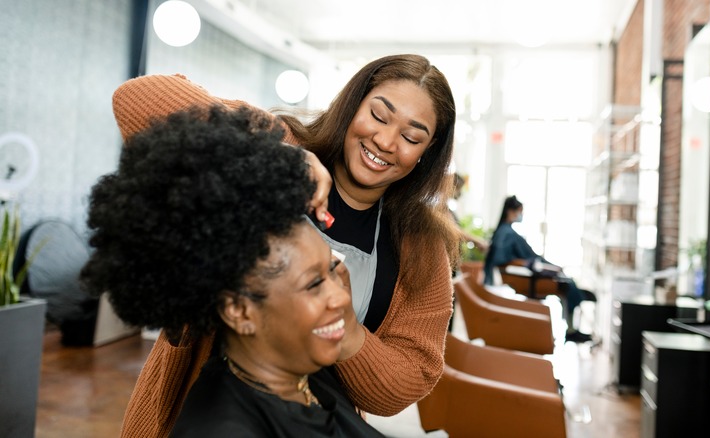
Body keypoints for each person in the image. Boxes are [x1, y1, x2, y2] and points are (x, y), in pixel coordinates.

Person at [110, 54, 461, 437]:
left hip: (318, 417)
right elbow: (135, 99)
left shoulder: (421, 244)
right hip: (207, 404)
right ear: (353, 105)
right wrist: (272, 159)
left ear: (428, 153)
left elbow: (409, 379)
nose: (385, 141)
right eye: (378, 115)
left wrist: (344, 329)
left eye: (412, 137)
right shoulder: (278, 142)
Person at [81, 106, 385, 437]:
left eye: (332, 270)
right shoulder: (223, 428)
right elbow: (134, 98)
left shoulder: (301, 373)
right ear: (239, 311)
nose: (341, 298)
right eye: (314, 284)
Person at [483, 195, 593, 343]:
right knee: (568, 284)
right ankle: (572, 329)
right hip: (527, 277)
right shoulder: (507, 233)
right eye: (520, 211)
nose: (521, 215)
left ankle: (572, 326)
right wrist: (538, 266)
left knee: (568, 282)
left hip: (530, 270)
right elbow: (508, 260)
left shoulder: (505, 231)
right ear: (511, 211)